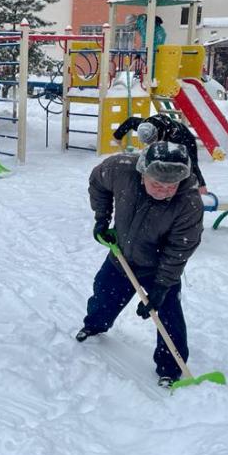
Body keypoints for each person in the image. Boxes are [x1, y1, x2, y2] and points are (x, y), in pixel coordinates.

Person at [76, 142, 204, 388]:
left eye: (171, 186)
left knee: (168, 316)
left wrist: (161, 286)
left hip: (159, 267)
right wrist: (102, 219)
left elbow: (180, 248)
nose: (164, 191)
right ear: (142, 172)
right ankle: (94, 326)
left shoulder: (188, 202)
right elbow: (97, 182)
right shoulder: (121, 169)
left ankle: (171, 368)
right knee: (104, 295)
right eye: (157, 184)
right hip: (121, 256)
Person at [113, 114, 208, 194]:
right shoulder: (145, 126)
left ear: (158, 135)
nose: (149, 145)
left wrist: (201, 184)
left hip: (185, 136)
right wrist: (118, 136)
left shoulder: (175, 138)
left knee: (180, 164)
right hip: (163, 131)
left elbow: (192, 161)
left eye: (152, 141)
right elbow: (130, 121)